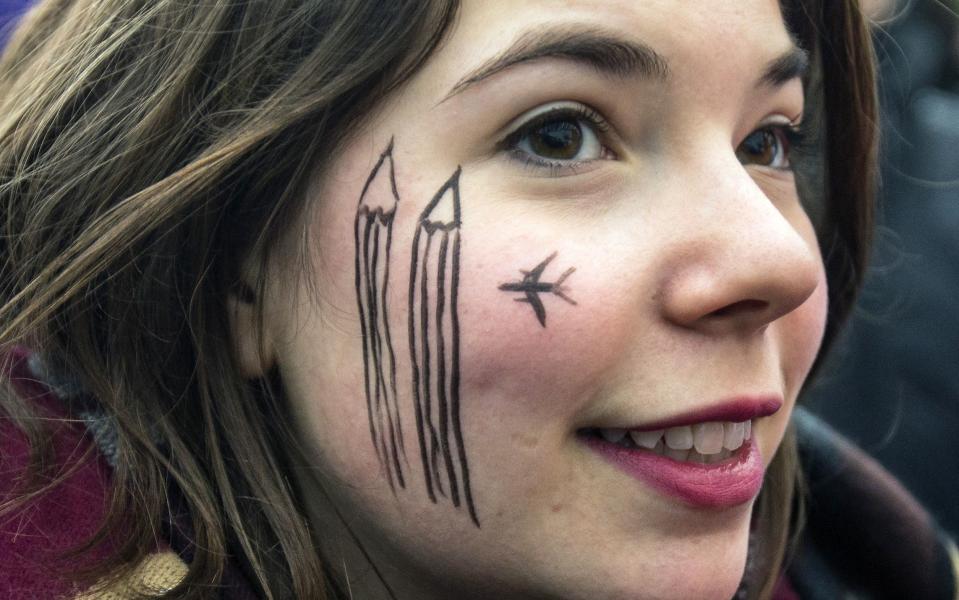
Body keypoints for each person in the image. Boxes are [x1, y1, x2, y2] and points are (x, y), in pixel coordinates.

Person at [0, 1, 954, 599]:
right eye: (559, 135)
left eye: (768, 142)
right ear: (232, 266)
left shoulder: (868, 562)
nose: (777, 261)